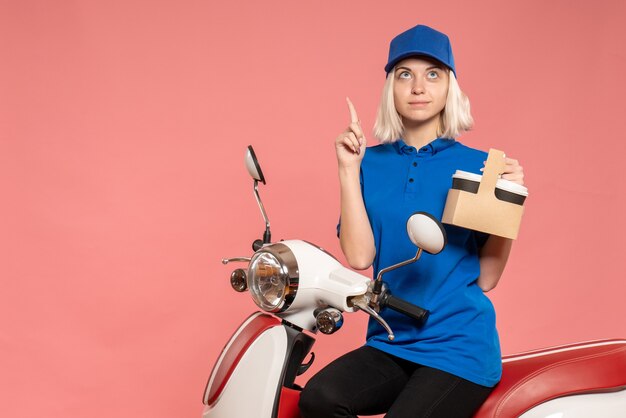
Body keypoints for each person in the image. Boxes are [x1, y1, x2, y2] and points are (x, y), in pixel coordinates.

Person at [298, 24, 525, 418]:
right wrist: (348, 170)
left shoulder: (482, 167)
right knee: (319, 398)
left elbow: (487, 279)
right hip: (389, 341)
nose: (418, 87)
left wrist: (509, 204)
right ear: (391, 87)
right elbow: (359, 254)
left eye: (432, 74)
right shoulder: (370, 162)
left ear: (450, 86)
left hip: (459, 348)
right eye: (405, 74)